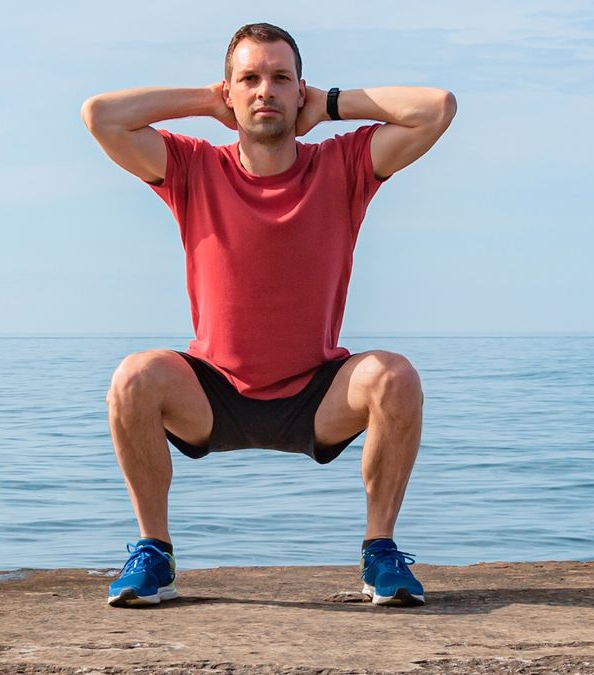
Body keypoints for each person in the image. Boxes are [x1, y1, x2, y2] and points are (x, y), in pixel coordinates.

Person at [81, 22, 456, 608]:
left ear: (299, 90)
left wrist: (330, 106)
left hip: (316, 392)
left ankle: (380, 553)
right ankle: (154, 554)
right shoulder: (193, 169)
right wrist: (208, 102)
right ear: (230, 91)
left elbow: (437, 109)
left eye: (281, 79)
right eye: (249, 79)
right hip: (213, 392)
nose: (265, 91)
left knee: (395, 376)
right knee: (133, 377)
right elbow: (100, 115)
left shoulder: (344, 165)